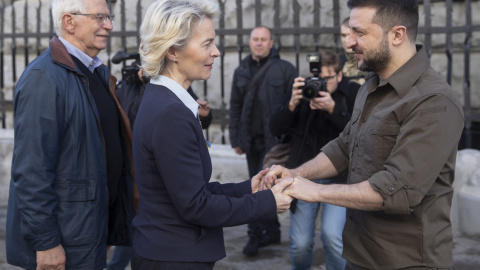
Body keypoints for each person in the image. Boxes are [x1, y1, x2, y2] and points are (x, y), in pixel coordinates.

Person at [264, 0, 465, 269]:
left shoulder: (434, 101)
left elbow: (395, 190)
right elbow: (344, 147)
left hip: (406, 262)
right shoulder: (371, 85)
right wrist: (296, 174)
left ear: (397, 34)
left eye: (360, 33)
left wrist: (314, 192)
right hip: (359, 253)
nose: (349, 43)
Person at [131, 1, 293, 269]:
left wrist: (247, 189)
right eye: (207, 44)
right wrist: (266, 202)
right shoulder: (171, 113)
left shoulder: (162, 99)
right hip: (174, 258)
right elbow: (196, 206)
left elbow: (189, 190)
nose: (216, 52)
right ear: (172, 50)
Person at [6, 0, 136, 269]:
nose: (109, 25)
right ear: (69, 22)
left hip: (88, 232)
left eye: (108, 17)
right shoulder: (44, 77)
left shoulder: (93, 71)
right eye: (100, 17)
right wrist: (46, 243)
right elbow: (32, 172)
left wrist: (106, 222)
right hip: (63, 244)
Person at [108, 62, 213, 270]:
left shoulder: (176, 87)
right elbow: (134, 120)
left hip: (168, 237)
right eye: (206, 43)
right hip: (135, 174)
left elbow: (192, 118)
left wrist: (205, 115)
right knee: (135, 219)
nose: (215, 52)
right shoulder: (142, 91)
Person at [270, 50, 359, 270]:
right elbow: (275, 128)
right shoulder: (304, 94)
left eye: (327, 79)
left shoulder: (353, 93)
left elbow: (360, 134)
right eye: (317, 79)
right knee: (299, 244)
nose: (320, 84)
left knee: (333, 237)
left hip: (339, 178)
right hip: (303, 174)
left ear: (339, 76)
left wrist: (333, 109)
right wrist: (292, 103)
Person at [229, 25, 297, 256]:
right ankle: (272, 232)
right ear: (250, 42)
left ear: (271, 43)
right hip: (250, 141)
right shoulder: (241, 70)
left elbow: (293, 109)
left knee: (261, 190)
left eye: (263, 39)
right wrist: (235, 138)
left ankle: (254, 235)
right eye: (255, 39)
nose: (259, 43)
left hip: (274, 143)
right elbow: (235, 106)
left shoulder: (285, 69)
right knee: (256, 186)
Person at [340, 17, 367, 85]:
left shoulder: (370, 61)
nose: (346, 40)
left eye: (350, 34)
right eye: (343, 35)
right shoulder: (337, 62)